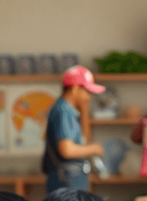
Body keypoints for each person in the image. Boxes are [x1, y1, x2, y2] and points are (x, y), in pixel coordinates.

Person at [43, 66, 106, 194]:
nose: (89, 97)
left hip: (72, 177)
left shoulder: (69, 110)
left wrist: (84, 110)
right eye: (87, 92)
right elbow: (67, 150)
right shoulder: (63, 111)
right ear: (76, 89)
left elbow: (84, 138)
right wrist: (94, 149)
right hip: (66, 179)